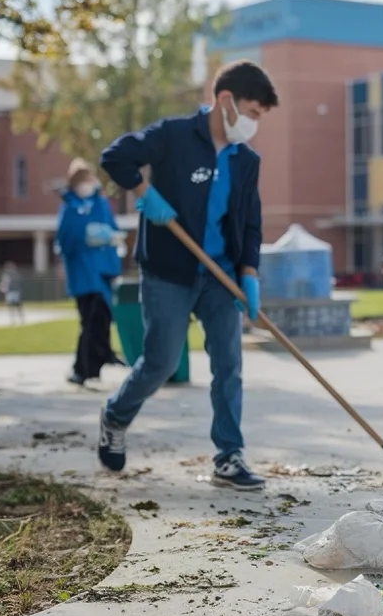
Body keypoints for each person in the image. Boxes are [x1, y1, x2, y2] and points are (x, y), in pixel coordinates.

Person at [97, 60, 278, 491]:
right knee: (160, 362)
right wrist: (145, 194)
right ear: (225, 100)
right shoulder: (174, 136)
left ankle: (229, 455)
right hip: (169, 271)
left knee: (229, 365)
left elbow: (250, 222)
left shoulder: (245, 160)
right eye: (252, 112)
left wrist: (249, 273)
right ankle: (115, 416)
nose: (254, 123)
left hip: (220, 276)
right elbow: (115, 157)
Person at [55, 160, 125, 385]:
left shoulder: (100, 204)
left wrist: (110, 238)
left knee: (102, 319)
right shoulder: (70, 208)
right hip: (83, 275)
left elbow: (112, 229)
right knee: (90, 320)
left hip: (103, 271)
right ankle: (83, 368)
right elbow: (65, 240)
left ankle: (96, 363)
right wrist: (86, 236)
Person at [0, 261, 25, 326]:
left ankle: (13, 318)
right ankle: (20, 318)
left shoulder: (7, 275)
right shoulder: (16, 274)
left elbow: (4, 283)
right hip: (15, 291)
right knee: (17, 305)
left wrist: (3, 289)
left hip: (11, 291)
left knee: (11, 305)